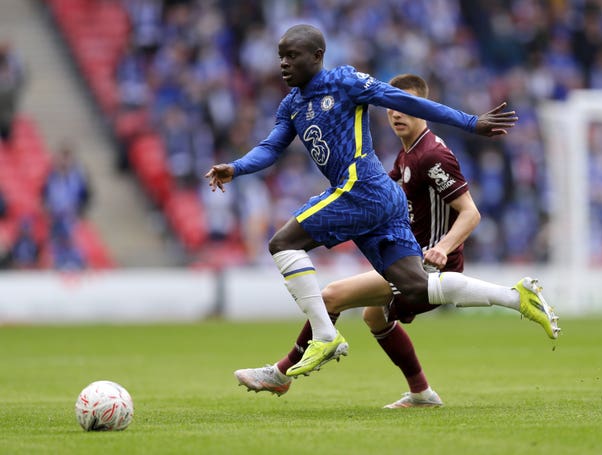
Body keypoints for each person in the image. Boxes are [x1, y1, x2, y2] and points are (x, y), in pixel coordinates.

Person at [205, 24, 520, 378]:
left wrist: (470, 122)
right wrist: (236, 167)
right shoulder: (292, 105)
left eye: (292, 56)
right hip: (382, 198)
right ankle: (517, 298)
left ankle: (325, 335)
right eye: (281, 57)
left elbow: (404, 100)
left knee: (282, 243)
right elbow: (271, 147)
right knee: (416, 287)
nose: (283, 64)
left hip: (361, 187)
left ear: (317, 56)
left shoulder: (345, 82)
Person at [233, 74, 560, 407]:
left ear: (418, 108)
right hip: (412, 257)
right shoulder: (406, 156)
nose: (396, 114)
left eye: (404, 108)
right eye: (392, 109)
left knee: (331, 298)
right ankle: (421, 393)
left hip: (431, 262)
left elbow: (471, 213)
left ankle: (280, 374)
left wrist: (443, 248)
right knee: (373, 316)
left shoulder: (431, 156)